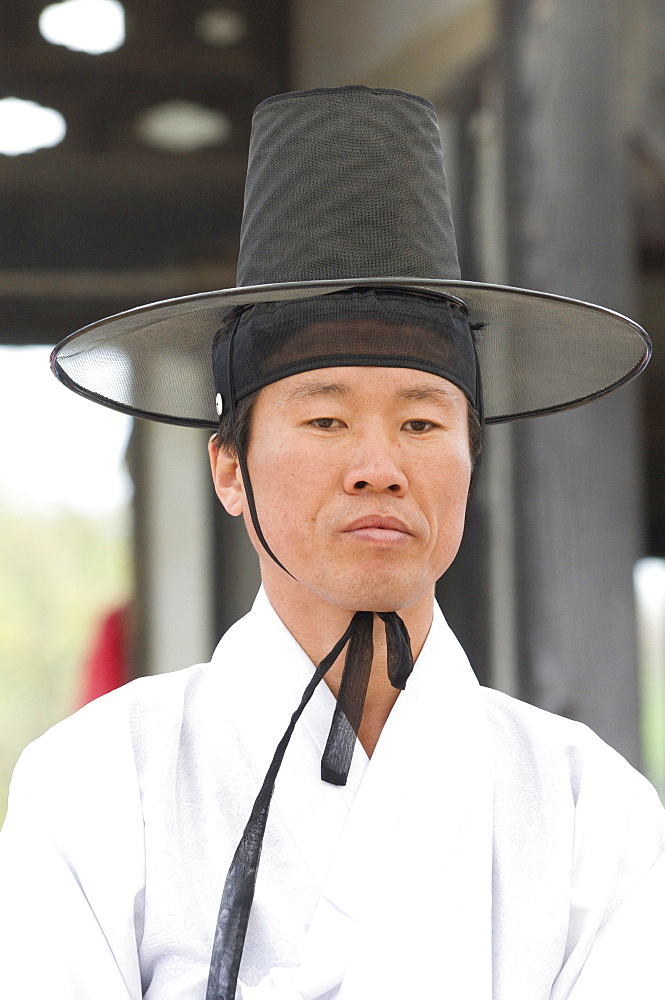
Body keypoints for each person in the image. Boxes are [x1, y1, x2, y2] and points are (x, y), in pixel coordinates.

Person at [1, 85, 664, 1000]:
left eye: (424, 425)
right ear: (228, 470)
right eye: (322, 420)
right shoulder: (103, 778)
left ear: (472, 463)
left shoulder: (589, 802)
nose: (378, 467)